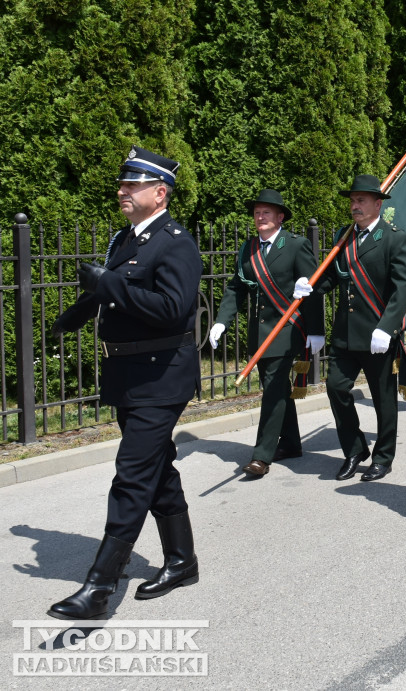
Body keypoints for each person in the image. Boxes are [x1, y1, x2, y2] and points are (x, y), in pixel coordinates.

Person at [48, 146, 201, 618]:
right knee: (157, 470)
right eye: (124, 184)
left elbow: (173, 309)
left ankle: (98, 588)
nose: (122, 190)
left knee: (132, 473)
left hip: (162, 377)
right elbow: (114, 293)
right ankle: (182, 561)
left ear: (160, 192)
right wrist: (73, 316)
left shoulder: (176, 242)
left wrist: (107, 284)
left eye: (133, 185)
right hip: (128, 377)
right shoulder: (124, 239)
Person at [293, 175, 406, 482]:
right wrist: (311, 285)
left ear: (377, 204)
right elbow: (335, 277)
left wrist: (387, 327)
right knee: (336, 388)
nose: (355, 206)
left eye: (361, 201)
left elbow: (402, 288)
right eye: (352, 201)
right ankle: (355, 449)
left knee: (383, 398)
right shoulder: (343, 236)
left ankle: (383, 457)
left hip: (378, 336)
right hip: (347, 334)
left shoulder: (394, 238)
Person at [209, 189, 325, 477]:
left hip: (287, 330)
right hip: (259, 333)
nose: (260, 217)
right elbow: (237, 287)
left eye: (267, 213)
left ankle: (261, 456)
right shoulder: (248, 248)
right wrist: (222, 320)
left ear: (280, 217)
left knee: (272, 391)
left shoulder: (296, 245)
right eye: (257, 212)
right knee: (277, 390)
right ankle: (292, 443)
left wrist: (316, 330)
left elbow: (314, 288)